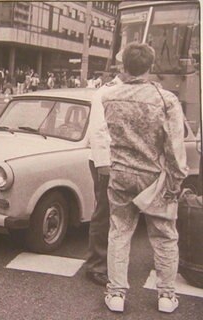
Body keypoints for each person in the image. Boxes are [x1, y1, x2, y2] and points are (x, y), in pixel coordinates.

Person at [101, 43, 188, 313]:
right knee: (163, 236)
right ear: (151, 67)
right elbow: (174, 147)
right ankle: (165, 295)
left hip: (121, 173)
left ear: (124, 66)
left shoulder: (109, 96)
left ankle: (116, 293)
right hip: (155, 177)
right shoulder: (165, 100)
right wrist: (176, 181)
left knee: (119, 232)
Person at [84, 63, 127, 287]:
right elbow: (98, 130)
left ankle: (113, 261)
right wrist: (103, 163)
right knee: (105, 212)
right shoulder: (106, 92)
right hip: (107, 161)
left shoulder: (131, 91)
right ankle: (96, 264)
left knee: (122, 214)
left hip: (125, 160)